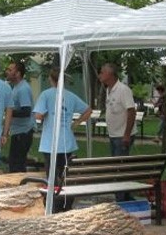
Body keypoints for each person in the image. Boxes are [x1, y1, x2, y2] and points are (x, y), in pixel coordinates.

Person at [33, 68, 92, 184]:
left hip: (50, 142)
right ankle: (65, 197)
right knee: (64, 174)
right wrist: (76, 122)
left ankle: (54, 199)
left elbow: (38, 116)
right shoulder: (71, 96)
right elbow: (88, 110)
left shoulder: (45, 94)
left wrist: (45, 113)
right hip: (67, 141)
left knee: (52, 175)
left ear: (50, 78)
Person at [98, 62, 137, 201]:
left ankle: (121, 198)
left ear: (110, 74)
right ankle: (125, 196)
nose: (100, 75)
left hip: (122, 135)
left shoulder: (123, 90)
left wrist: (126, 134)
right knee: (118, 167)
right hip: (114, 134)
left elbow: (131, 111)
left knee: (118, 168)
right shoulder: (108, 89)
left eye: (102, 72)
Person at [5, 61, 35, 173]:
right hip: (18, 131)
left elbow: (26, 111)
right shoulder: (16, 87)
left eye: (10, 70)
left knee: (16, 164)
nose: (7, 72)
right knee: (14, 162)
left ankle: (20, 187)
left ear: (17, 73)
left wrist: (8, 112)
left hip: (23, 132)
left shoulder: (23, 89)